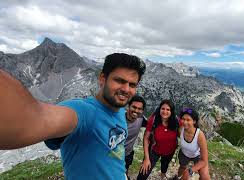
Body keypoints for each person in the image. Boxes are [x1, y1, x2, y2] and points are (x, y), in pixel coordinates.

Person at [0, 53, 146, 180]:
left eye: (132, 84)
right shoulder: (83, 111)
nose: (126, 89)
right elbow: (32, 120)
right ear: (102, 78)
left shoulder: (120, 109)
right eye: (119, 81)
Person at [137, 99, 179, 180]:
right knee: (143, 173)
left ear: (171, 112)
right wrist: (146, 158)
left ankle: (162, 176)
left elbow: (185, 130)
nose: (165, 111)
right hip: (154, 151)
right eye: (163, 109)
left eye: (168, 109)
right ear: (159, 109)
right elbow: (146, 138)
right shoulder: (153, 120)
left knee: (165, 166)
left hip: (169, 151)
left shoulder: (176, 121)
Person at [177, 108, 210, 180]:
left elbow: (204, 160)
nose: (185, 122)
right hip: (184, 154)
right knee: (182, 167)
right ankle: (178, 177)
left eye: (188, 120)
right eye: (183, 119)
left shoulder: (199, 135)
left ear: (194, 121)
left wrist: (190, 171)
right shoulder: (181, 129)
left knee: (205, 177)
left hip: (197, 156)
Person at [124, 95, 147, 178]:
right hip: (112, 154)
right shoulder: (118, 117)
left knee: (125, 171)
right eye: (134, 107)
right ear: (128, 106)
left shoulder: (141, 119)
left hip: (127, 153)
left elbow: (154, 126)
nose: (136, 110)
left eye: (139, 109)